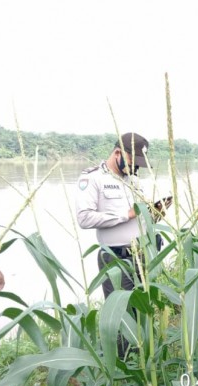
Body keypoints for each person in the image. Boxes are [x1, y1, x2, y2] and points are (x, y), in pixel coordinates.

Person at [75, 132, 157, 324]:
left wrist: (154, 214)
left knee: (143, 310)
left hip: (141, 253)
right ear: (118, 153)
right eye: (132, 160)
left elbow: (140, 214)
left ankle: (143, 352)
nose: (136, 167)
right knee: (122, 316)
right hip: (115, 257)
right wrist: (125, 214)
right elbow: (84, 217)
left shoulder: (134, 180)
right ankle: (122, 354)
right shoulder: (93, 178)